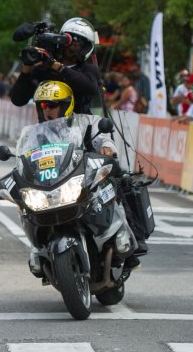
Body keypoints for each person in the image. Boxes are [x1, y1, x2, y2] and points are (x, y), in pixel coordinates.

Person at [33, 80, 143, 269]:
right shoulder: (37, 133)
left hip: (89, 179)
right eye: (42, 105)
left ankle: (127, 241)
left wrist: (106, 149)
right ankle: (38, 249)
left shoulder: (88, 122)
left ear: (67, 104)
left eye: (52, 105)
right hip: (56, 184)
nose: (47, 110)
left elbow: (105, 140)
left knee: (113, 189)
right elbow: (27, 156)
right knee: (30, 206)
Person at [9, 18, 101, 114]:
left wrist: (55, 65)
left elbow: (90, 87)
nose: (72, 45)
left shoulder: (88, 69)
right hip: (47, 127)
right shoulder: (44, 70)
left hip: (80, 127)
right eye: (69, 40)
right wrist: (27, 66)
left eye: (78, 42)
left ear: (86, 48)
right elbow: (18, 100)